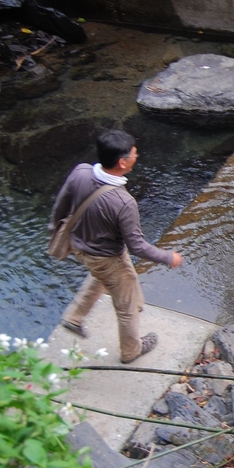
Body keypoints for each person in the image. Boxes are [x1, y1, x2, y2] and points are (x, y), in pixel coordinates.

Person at [50, 129, 183, 363]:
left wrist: (54, 229)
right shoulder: (123, 202)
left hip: (80, 247)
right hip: (107, 258)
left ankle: (75, 316)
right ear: (122, 163)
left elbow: (60, 206)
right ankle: (131, 350)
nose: (137, 156)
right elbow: (137, 246)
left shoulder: (80, 172)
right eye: (134, 154)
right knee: (129, 306)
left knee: (101, 276)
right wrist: (167, 257)